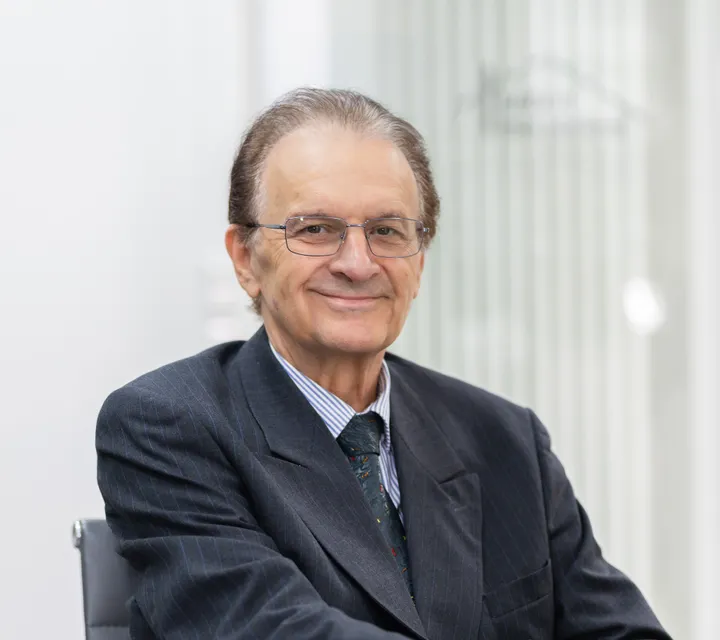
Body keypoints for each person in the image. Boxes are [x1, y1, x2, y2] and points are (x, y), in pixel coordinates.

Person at [96, 87, 671, 640]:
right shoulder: (168, 427)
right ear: (246, 259)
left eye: (387, 231)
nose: (357, 263)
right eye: (316, 230)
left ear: (419, 263)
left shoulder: (507, 440)